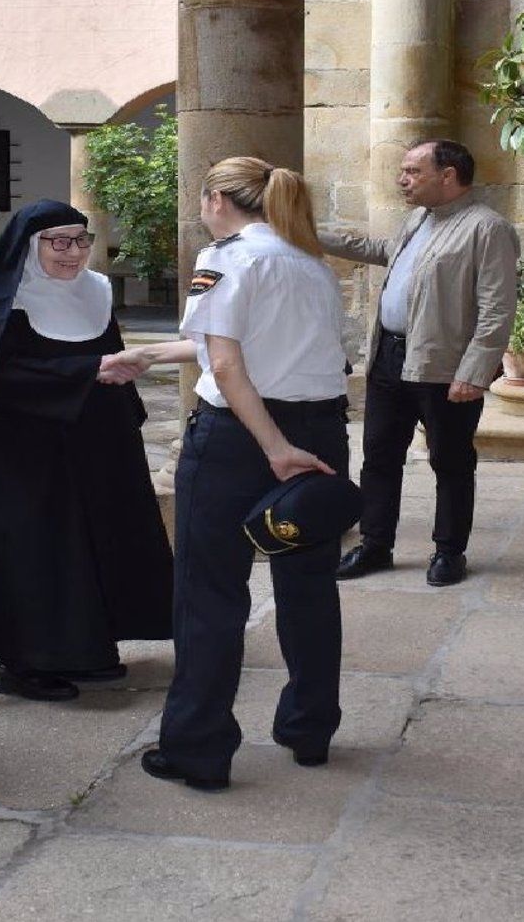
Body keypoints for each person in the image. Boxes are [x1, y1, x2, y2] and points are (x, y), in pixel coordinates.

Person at [100, 157, 351, 791]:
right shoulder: (309, 263)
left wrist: (272, 447)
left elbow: (232, 368)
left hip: (245, 439)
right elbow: (232, 345)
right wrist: (150, 353)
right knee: (309, 587)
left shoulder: (228, 257)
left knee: (209, 593)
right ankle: (310, 728)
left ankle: (197, 748)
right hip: (319, 432)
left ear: (217, 200)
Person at [0, 200, 173, 702]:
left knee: (95, 540)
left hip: (97, 439)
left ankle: (88, 648)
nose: (73, 254)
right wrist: (86, 373)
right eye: (59, 243)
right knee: (39, 549)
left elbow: (107, 351)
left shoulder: (94, 289)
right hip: (25, 449)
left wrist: (120, 391)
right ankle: (24, 663)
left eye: (81, 241)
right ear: (31, 245)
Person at [322, 139, 520, 587]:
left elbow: (497, 308)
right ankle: (375, 545)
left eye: (412, 171)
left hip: (444, 365)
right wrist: (307, 232)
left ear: (447, 175)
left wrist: (474, 371)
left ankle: (449, 551)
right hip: (390, 356)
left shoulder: (486, 228)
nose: (402, 179)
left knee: (450, 461)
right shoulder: (417, 220)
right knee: (378, 456)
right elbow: (379, 250)